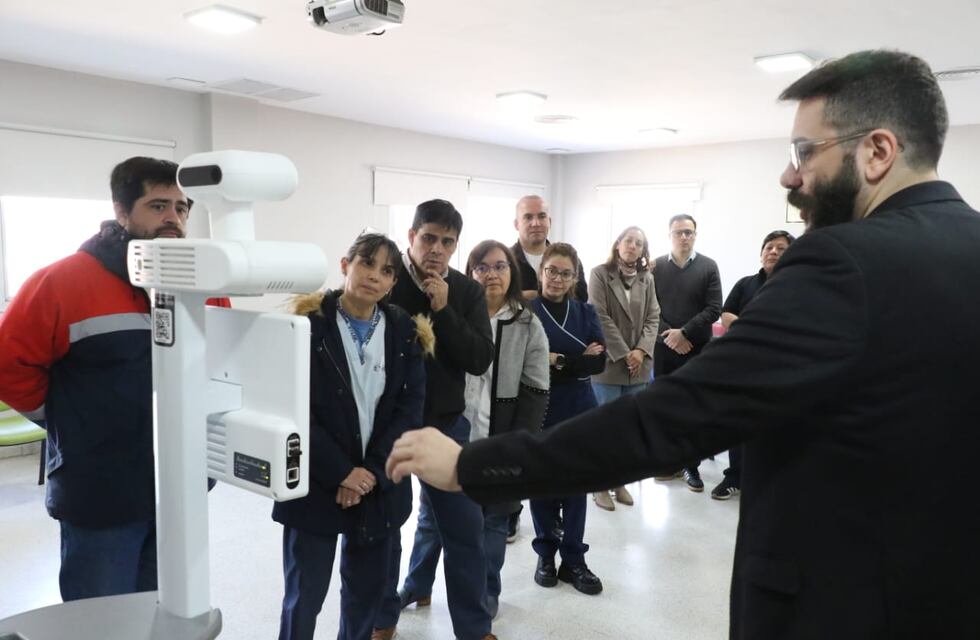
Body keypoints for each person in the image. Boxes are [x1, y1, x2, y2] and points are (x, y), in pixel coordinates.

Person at [385, 49, 980, 639]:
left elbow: (673, 418)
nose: (790, 175)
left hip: (843, 605)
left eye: (804, 152)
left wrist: (472, 464)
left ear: (878, 151)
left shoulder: (841, 263)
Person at [0, 157, 229, 601]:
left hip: (179, 485)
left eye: (182, 208)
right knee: (100, 618)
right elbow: (8, 366)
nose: (173, 219)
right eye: (158, 205)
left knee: (166, 611)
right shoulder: (61, 282)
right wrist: (65, 418)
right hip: (100, 490)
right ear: (121, 212)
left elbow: (221, 365)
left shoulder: (205, 284)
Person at [271, 233, 426, 640]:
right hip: (317, 483)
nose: (374, 276)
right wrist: (342, 472)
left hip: (378, 486)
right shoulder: (306, 327)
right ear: (345, 265)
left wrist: (369, 473)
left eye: (386, 270)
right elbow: (292, 409)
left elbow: (408, 411)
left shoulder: (403, 331)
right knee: (303, 596)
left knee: (364, 595)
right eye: (366, 263)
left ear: (394, 283)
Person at [393, 240, 550, 621]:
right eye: (481, 267)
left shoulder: (527, 322)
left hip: (502, 435)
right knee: (431, 515)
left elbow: (536, 388)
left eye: (500, 266)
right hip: (456, 431)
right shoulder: (455, 306)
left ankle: (485, 593)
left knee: (494, 520)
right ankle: (418, 584)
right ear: (470, 271)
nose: (491, 274)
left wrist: (521, 443)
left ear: (512, 273)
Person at [373, 200, 496, 640]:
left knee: (465, 530)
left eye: (447, 242)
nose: (437, 250)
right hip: (387, 432)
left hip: (446, 428)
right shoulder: (384, 283)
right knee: (385, 529)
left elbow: (480, 358)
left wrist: (444, 311)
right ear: (411, 237)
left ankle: (473, 627)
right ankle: (383, 618)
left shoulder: (465, 291)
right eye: (429, 238)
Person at [528, 242, 605, 596]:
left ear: (574, 278)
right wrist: (575, 360)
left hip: (579, 407)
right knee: (542, 484)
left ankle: (573, 559)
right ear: (541, 271)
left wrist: (557, 360)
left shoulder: (585, 312)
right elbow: (527, 363)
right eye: (551, 271)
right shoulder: (527, 312)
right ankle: (545, 554)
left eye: (565, 273)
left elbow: (599, 362)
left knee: (576, 486)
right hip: (540, 406)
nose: (556, 279)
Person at [711, 230, 794, 500]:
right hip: (742, 365)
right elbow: (725, 314)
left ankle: (768, 480)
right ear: (761, 254)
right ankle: (734, 477)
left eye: (781, 248)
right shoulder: (745, 283)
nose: (773, 251)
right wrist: (754, 328)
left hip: (781, 369)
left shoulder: (799, 285)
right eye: (769, 247)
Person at [587, 226, 660, 511]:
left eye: (639, 243)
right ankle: (598, 485)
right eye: (628, 240)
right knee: (602, 428)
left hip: (638, 366)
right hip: (609, 364)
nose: (632, 245)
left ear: (643, 251)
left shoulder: (647, 278)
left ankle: (619, 481)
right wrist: (625, 353)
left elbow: (654, 316)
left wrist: (641, 351)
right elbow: (599, 315)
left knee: (626, 430)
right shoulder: (599, 274)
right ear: (618, 244)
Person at [652, 214, 721, 491]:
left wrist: (684, 333)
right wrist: (671, 335)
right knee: (666, 407)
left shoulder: (708, 266)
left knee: (693, 409)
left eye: (689, 232)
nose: (684, 237)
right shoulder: (655, 267)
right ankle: (670, 463)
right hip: (664, 348)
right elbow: (649, 309)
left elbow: (714, 307)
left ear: (695, 235)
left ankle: (692, 467)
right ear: (669, 235)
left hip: (697, 349)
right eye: (679, 232)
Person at [511, 195, 588, 302]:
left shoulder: (570, 260)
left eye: (542, 216)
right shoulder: (505, 262)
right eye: (528, 217)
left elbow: (581, 301)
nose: (536, 223)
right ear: (516, 224)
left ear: (549, 222)